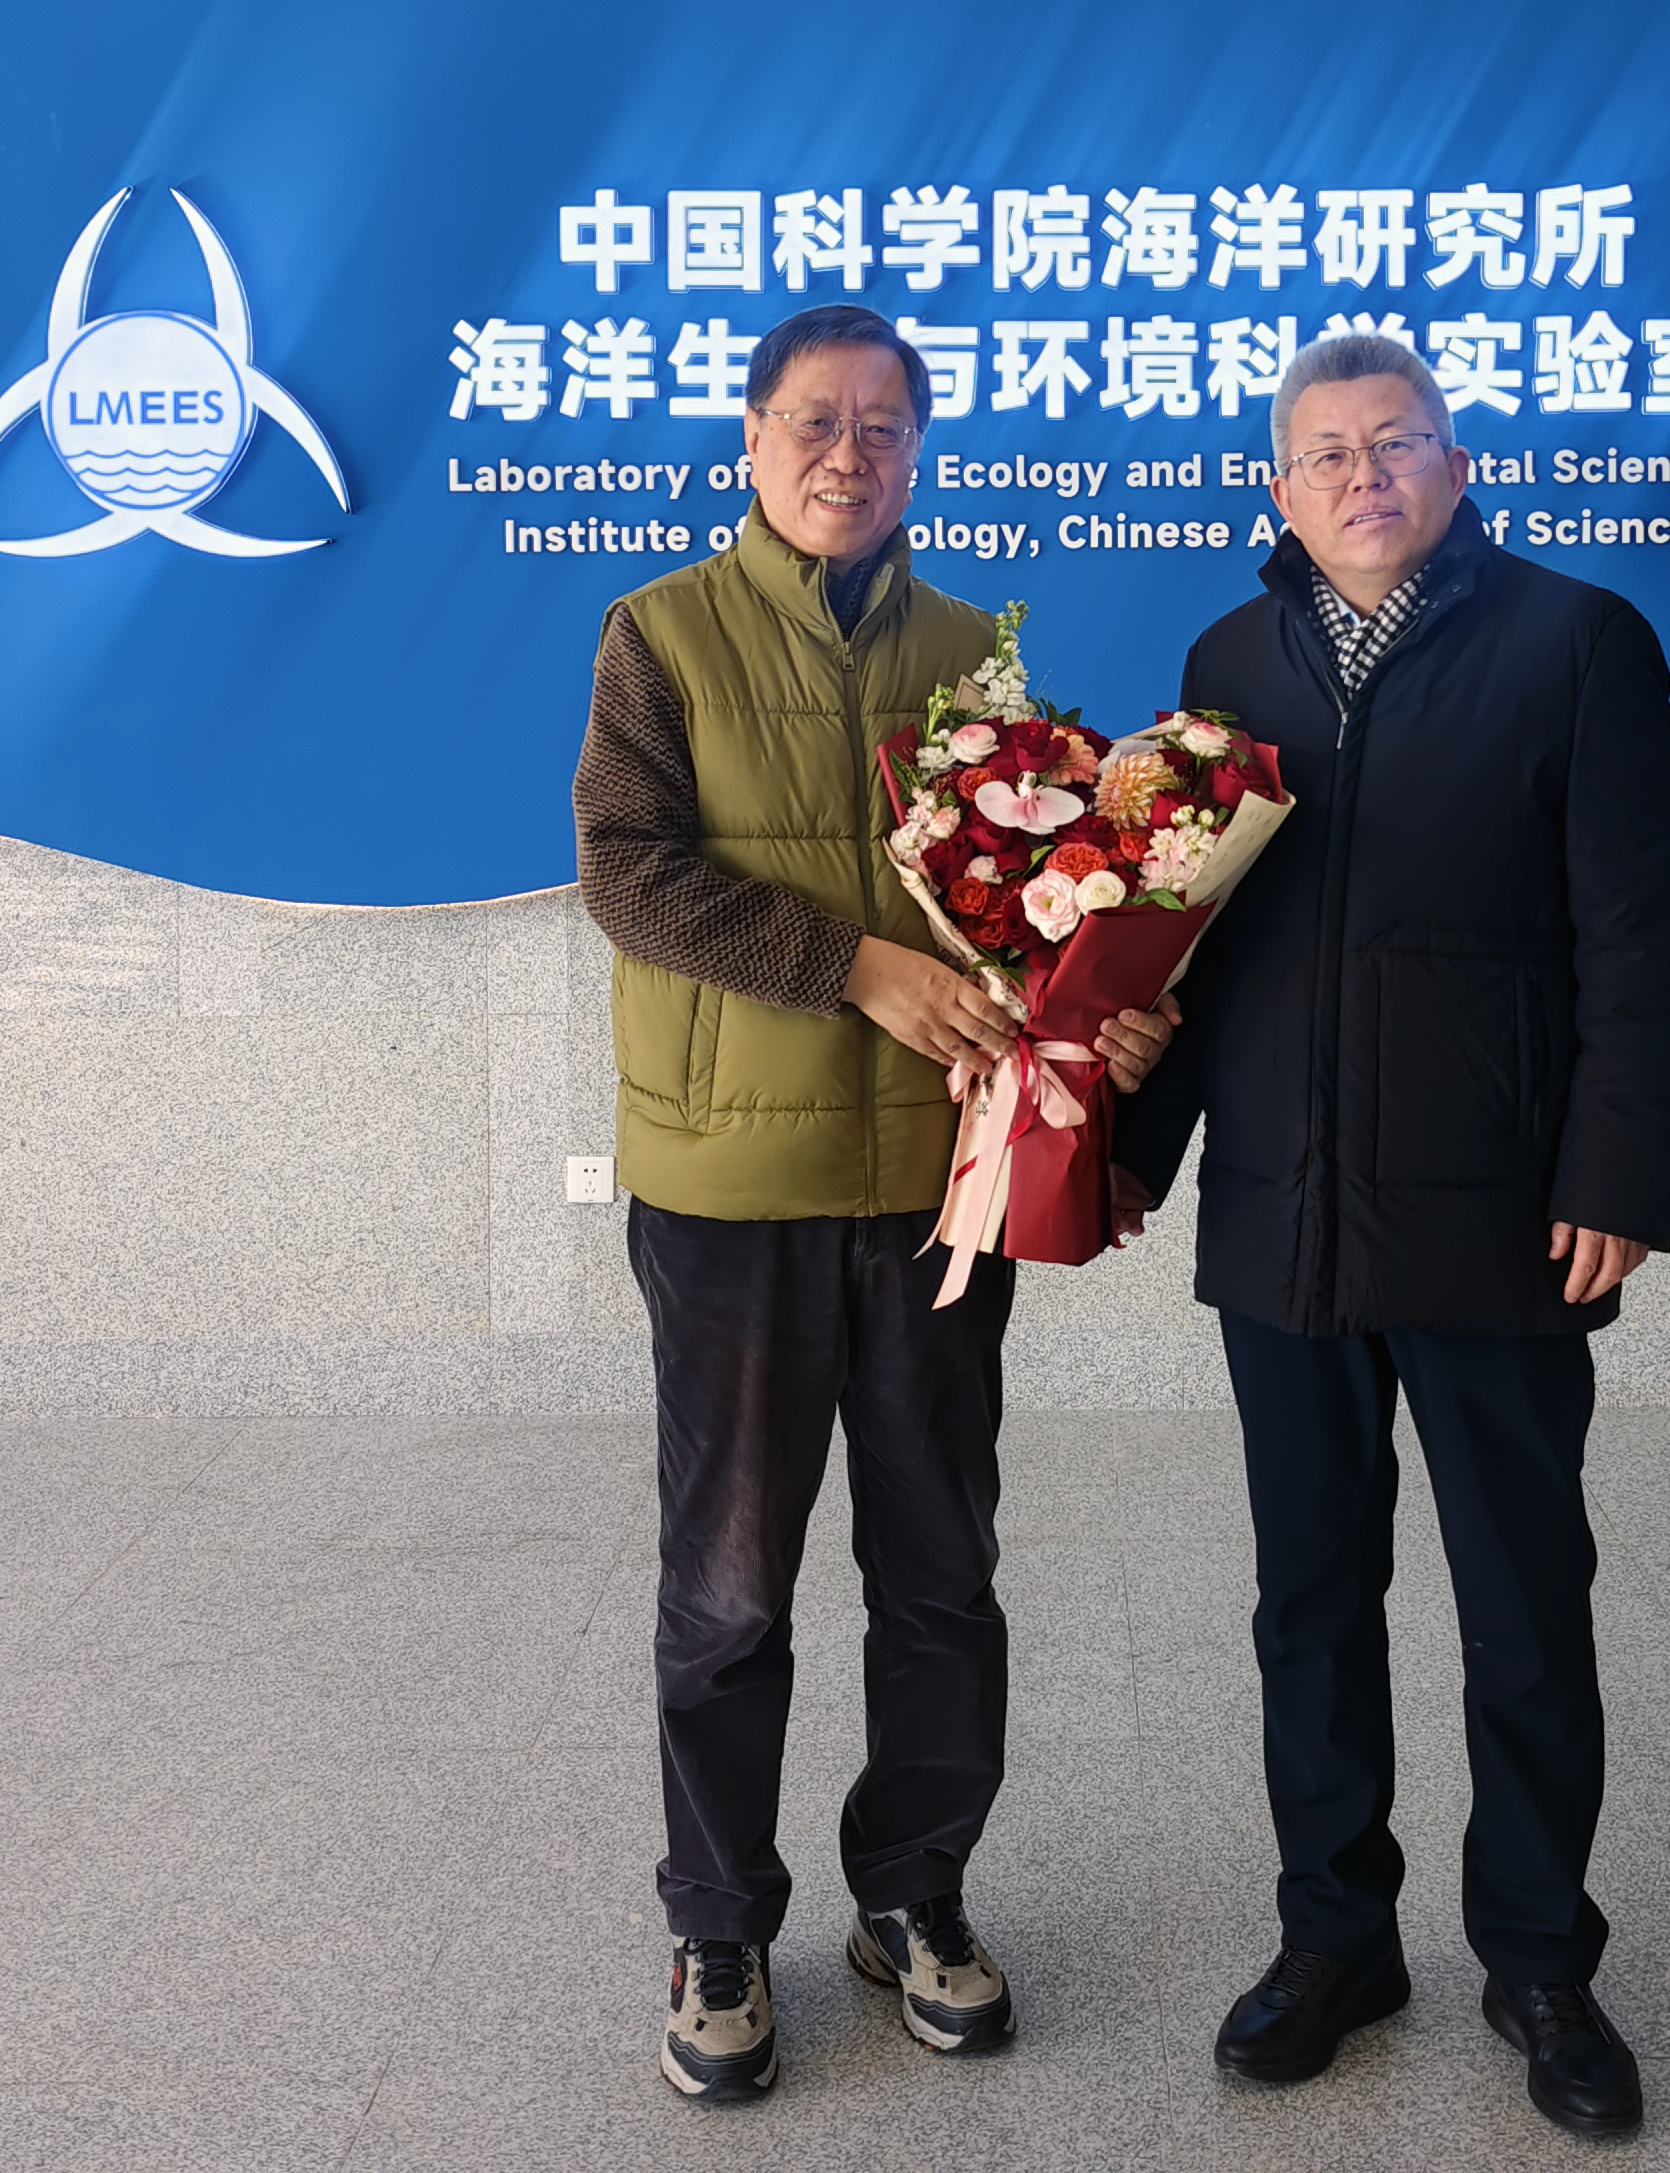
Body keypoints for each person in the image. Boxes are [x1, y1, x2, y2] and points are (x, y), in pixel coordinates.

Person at [574, 304, 1175, 2102]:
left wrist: (1103, 1004)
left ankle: (912, 1890)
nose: (849, 455)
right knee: (727, 1587)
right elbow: (628, 873)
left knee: (938, 1569)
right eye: (814, 422)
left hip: (933, 1187)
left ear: (919, 452)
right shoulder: (659, 632)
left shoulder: (971, 656)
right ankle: (717, 1921)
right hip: (731, 1182)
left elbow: (1035, 896)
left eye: (884, 427)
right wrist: (850, 965)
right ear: (752, 439)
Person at [1112, 334, 1670, 2142]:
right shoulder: (1227, 663)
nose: (1361, 476)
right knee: (1307, 1595)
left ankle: (1537, 1955)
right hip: (1281, 1211)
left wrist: (1616, 1172)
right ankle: (1335, 1938)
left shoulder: (1576, 641)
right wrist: (1132, 1149)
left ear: (1456, 464)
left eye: (1396, 443)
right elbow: (1190, 945)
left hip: (1498, 1213)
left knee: (1522, 1602)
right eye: (1325, 453)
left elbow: (1640, 933)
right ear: (1276, 488)